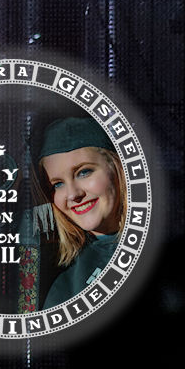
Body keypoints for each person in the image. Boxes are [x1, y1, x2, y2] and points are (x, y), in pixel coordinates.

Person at [35, 114, 128, 308]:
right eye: (57, 184)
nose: (73, 195)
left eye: (84, 172)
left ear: (118, 167)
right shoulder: (66, 290)